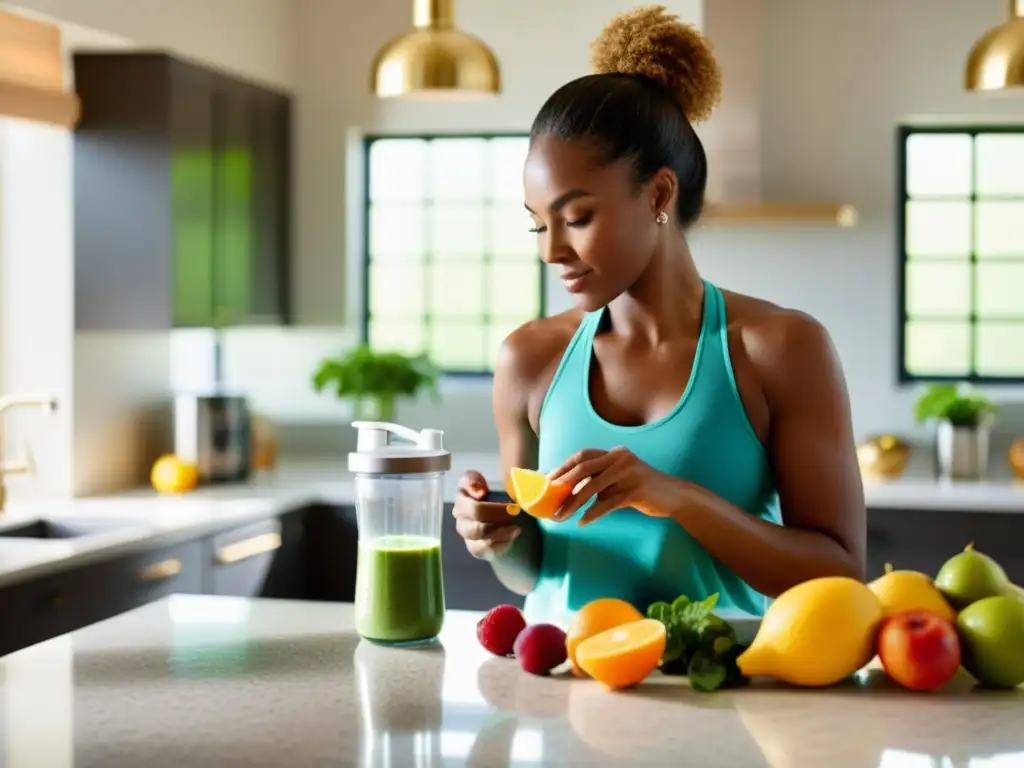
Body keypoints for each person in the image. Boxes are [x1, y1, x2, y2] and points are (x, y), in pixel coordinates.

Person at [452, 6, 866, 625]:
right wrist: (497, 539)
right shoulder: (529, 359)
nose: (551, 251)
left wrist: (675, 498)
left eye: (578, 218)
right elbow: (533, 572)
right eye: (539, 224)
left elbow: (838, 571)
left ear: (660, 194)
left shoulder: (779, 348)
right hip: (565, 689)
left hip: (722, 691)